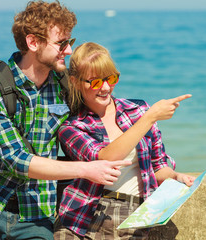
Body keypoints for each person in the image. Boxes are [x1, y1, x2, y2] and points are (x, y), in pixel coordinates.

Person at [0, 1, 132, 239]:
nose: (69, 51)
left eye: (70, 42)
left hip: (38, 214)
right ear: (33, 43)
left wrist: (147, 121)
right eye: (61, 44)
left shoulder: (66, 86)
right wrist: (87, 169)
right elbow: (17, 160)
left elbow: (99, 110)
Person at [53, 42, 195, 239]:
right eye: (94, 82)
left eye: (110, 79)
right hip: (83, 216)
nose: (105, 87)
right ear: (76, 82)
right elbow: (105, 159)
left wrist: (176, 177)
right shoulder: (71, 127)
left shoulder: (137, 110)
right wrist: (149, 117)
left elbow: (158, 165)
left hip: (133, 214)